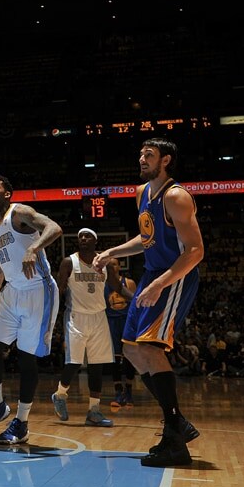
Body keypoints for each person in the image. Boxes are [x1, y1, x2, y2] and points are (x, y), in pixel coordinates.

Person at [92, 138, 204, 467]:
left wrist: (159, 283)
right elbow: (147, 238)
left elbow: (196, 251)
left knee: (151, 348)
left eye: (149, 155)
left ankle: (174, 440)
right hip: (152, 274)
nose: (142, 159)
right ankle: (177, 422)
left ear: (165, 160)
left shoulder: (176, 196)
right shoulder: (142, 192)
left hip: (174, 276)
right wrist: (112, 251)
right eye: (141, 154)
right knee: (130, 349)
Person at [0, 175, 62, 445]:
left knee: (27, 359)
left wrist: (33, 248)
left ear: (7, 194)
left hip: (38, 289)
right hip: (11, 290)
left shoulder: (20, 212)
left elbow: (54, 227)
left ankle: (22, 423)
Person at [50, 228, 114, 427]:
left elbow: (118, 287)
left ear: (95, 241)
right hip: (76, 316)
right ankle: (60, 395)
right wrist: (49, 315)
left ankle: (94, 411)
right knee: (74, 362)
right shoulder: (69, 262)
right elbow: (59, 290)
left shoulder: (105, 263)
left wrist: (137, 299)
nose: (83, 238)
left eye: (87, 236)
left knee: (97, 365)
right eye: (80, 237)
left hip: (99, 317)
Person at [105, 267, 138, 407]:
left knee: (130, 356)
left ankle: (128, 391)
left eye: (114, 264)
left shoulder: (129, 282)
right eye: (110, 264)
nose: (112, 266)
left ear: (119, 266)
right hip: (111, 322)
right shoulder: (103, 283)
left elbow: (135, 303)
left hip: (127, 321)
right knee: (115, 359)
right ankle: (118, 392)